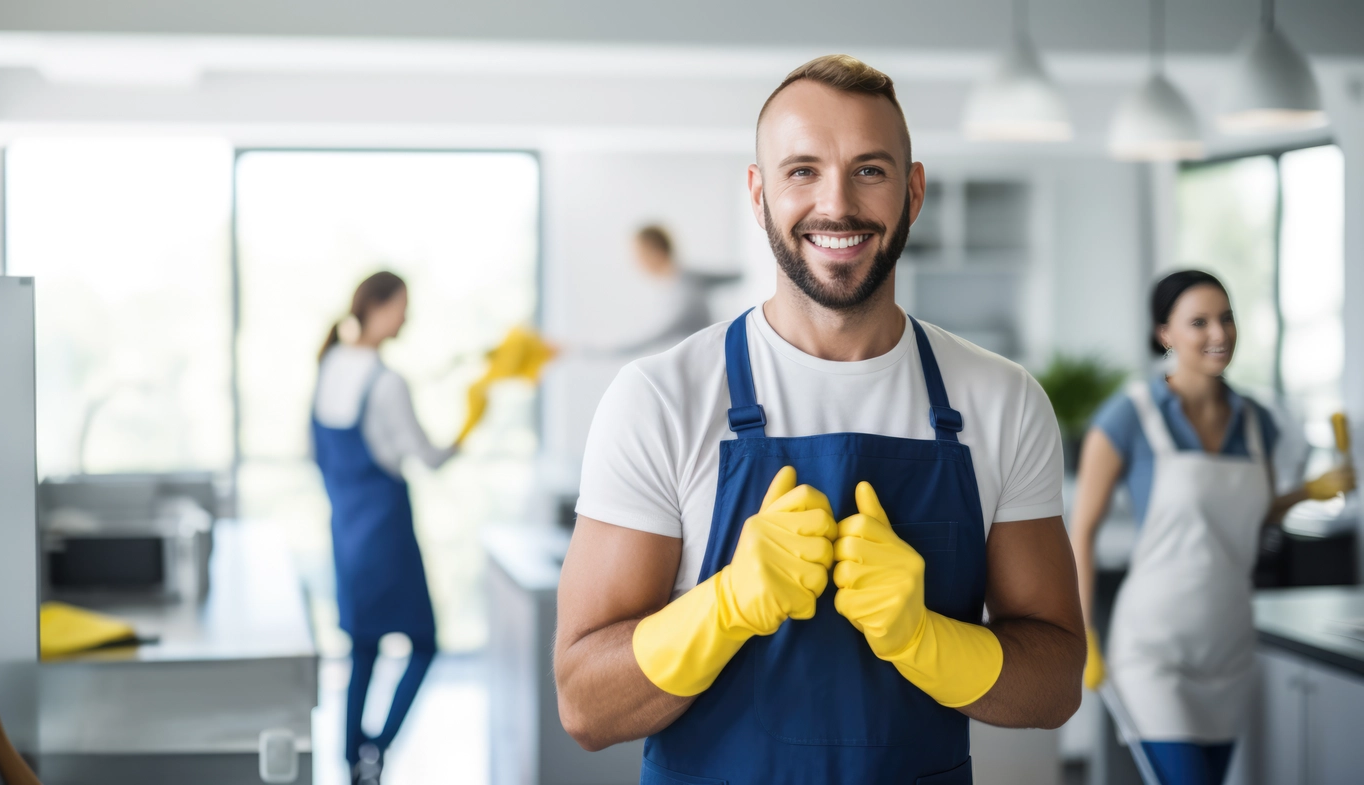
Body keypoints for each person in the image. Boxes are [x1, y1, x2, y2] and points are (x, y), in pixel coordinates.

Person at [553, 55, 1084, 785]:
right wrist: (728, 605)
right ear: (758, 190)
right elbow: (586, 703)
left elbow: (1055, 683)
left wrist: (925, 637)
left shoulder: (1003, 400)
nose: (837, 204)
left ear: (914, 190)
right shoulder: (659, 398)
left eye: (870, 169)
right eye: (802, 170)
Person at [1072, 270, 1356, 785]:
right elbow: (1082, 531)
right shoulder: (1129, 416)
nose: (1219, 334)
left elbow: (1255, 512)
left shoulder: (1256, 421)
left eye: (1226, 318)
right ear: (1165, 334)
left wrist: (1308, 492)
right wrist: (1082, 634)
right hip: (1153, 654)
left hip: (1228, 647)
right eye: (1199, 322)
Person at [311, 271, 457, 785]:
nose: (406, 317)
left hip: (346, 534)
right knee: (425, 642)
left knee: (362, 647)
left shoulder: (329, 365)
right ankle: (378, 747)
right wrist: (469, 425)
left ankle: (351, 760)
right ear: (378, 306)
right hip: (387, 536)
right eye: (402, 306)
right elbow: (429, 456)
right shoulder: (387, 381)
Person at [607, 225, 741, 354]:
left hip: (708, 359)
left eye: (639, 254)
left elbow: (661, 333)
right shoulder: (684, 278)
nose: (636, 262)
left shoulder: (684, 286)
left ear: (655, 252)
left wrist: (610, 350)